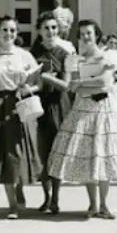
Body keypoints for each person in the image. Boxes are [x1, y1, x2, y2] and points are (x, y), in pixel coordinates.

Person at [48, 20, 117, 219]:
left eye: (89, 33)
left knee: (103, 156)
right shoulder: (75, 60)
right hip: (82, 109)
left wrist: (84, 84)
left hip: (103, 109)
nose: (85, 37)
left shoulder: (107, 56)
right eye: (82, 33)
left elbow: (105, 83)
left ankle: (104, 204)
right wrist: (88, 85)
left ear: (96, 34)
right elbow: (71, 86)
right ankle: (93, 204)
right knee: (87, 156)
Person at [0, 15, 43, 219]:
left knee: (20, 152)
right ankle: (12, 203)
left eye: (12, 30)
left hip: (21, 105)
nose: (9, 34)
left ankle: (19, 185)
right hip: (1, 107)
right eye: (5, 30)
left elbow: (38, 81)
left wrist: (28, 86)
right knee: (5, 155)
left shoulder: (24, 56)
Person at [29, 12, 73, 214]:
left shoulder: (65, 54)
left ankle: (55, 198)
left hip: (58, 107)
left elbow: (66, 85)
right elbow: (27, 80)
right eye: (46, 28)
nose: (50, 32)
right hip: (38, 106)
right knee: (41, 153)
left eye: (54, 28)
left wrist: (47, 78)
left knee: (57, 154)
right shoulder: (32, 54)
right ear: (39, 30)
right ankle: (46, 197)